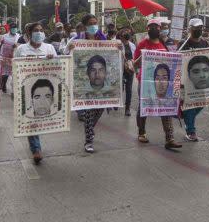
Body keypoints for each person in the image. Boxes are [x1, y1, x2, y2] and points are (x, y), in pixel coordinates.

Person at [65, 13, 111, 154]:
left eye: (95, 23)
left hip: (101, 82)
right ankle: (89, 141)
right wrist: (70, 49)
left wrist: (119, 50)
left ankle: (90, 129)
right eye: (91, 23)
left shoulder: (103, 39)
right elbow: (65, 54)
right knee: (90, 111)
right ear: (85, 26)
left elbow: (111, 55)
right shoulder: (76, 40)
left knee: (100, 109)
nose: (94, 26)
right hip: (84, 81)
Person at [133, 18, 182, 149]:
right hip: (145, 82)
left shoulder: (164, 45)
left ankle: (169, 138)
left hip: (164, 82)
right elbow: (134, 65)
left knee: (166, 108)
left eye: (157, 27)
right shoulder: (142, 44)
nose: (154, 29)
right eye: (151, 26)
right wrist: (141, 57)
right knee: (144, 106)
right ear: (147, 29)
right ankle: (141, 132)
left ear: (160, 29)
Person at [14, 22, 57, 164]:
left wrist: (53, 59)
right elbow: (16, 69)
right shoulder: (21, 49)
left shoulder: (49, 48)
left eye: (41, 30)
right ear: (29, 33)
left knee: (43, 118)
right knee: (31, 118)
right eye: (36, 30)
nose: (39, 33)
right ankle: (36, 149)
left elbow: (59, 67)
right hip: (28, 89)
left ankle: (36, 144)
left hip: (46, 89)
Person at [178, 18, 209, 141]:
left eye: (200, 28)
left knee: (201, 103)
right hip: (187, 80)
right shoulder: (183, 43)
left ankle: (186, 116)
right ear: (190, 29)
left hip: (201, 80)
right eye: (196, 28)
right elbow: (177, 58)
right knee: (190, 105)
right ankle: (191, 131)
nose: (199, 30)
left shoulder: (204, 43)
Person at [0, 22, 20, 93]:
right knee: (5, 73)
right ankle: (3, 84)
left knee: (14, 72)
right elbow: (0, 45)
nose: (14, 29)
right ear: (10, 29)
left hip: (14, 56)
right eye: (12, 28)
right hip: (5, 57)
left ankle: (15, 89)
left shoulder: (19, 36)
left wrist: (16, 45)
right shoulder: (4, 36)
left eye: (15, 28)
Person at [119, 30, 136, 116]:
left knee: (129, 89)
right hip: (120, 70)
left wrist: (133, 61)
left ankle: (127, 108)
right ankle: (117, 102)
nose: (124, 39)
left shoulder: (132, 45)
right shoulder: (118, 45)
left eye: (126, 37)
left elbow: (135, 56)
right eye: (122, 37)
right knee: (120, 87)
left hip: (129, 69)